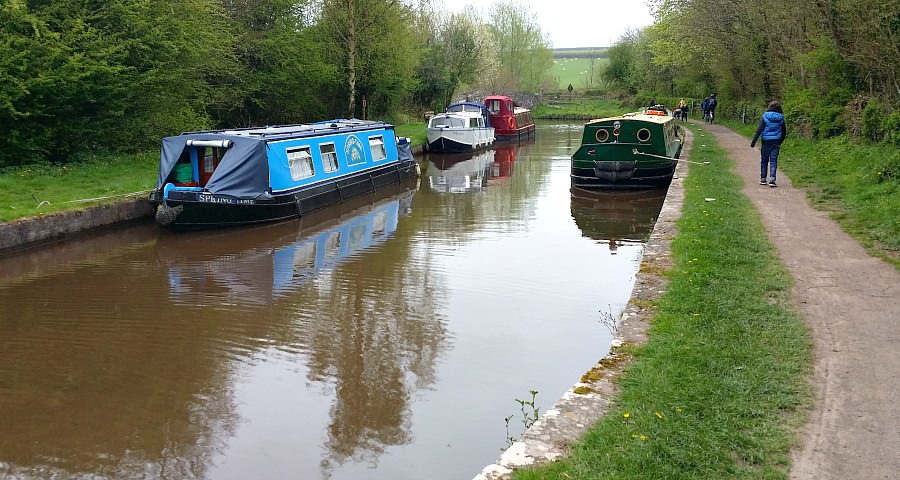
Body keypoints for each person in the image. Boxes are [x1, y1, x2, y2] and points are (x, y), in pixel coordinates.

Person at [750, 100, 787, 187]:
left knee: (764, 160)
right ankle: (772, 180)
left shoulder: (765, 116)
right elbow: (784, 131)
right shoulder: (781, 118)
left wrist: (753, 142)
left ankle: (763, 179)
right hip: (776, 141)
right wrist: (780, 141)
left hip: (766, 141)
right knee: (773, 160)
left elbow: (759, 129)